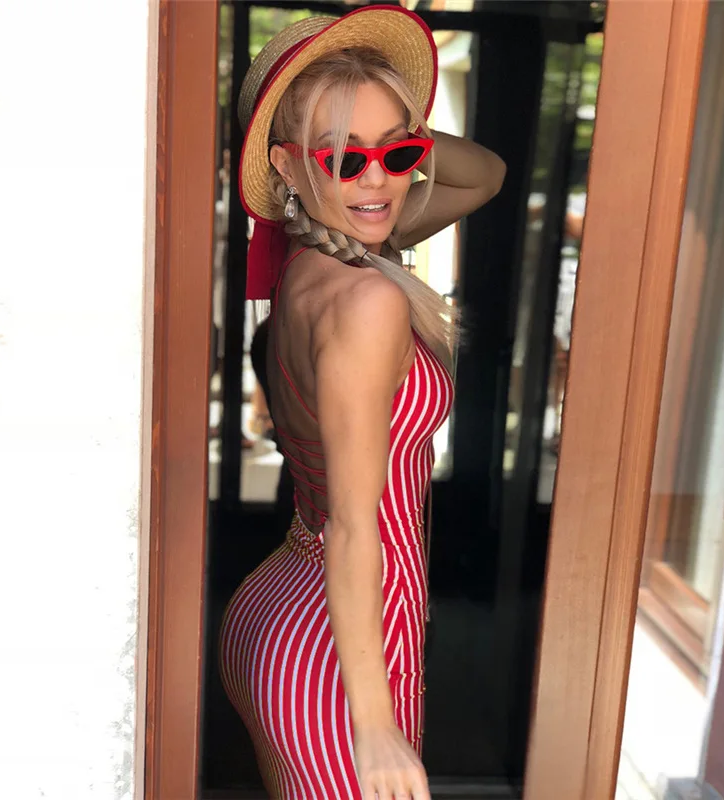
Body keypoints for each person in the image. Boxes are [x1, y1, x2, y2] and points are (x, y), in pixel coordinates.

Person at [219, 7, 505, 798]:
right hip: (339, 645)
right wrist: (374, 727)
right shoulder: (367, 300)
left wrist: (378, 133)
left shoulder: (319, 260)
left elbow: (484, 174)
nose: (376, 181)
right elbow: (353, 526)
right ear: (287, 165)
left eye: (397, 154)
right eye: (344, 158)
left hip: (289, 603)